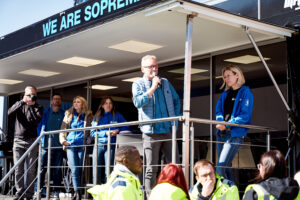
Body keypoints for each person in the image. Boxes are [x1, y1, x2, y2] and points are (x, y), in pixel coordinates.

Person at [132, 55, 181, 195]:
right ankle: (150, 196)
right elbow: (138, 102)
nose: (153, 69)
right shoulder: (138, 84)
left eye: (155, 66)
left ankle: (174, 195)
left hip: (167, 130)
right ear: (142, 69)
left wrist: (174, 121)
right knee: (150, 168)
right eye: (150, 67)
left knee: (174, 166)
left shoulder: (165, 82)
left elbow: (176, 100)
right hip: (150, 132)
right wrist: (152, 87)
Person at [215, 64, 254, 182]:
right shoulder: (225, 94)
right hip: (221, 134)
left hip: (234, 135)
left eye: (228, 76)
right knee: (226, 169)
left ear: (237, 75)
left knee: (220, 168)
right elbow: (218, 111)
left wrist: (226, 124)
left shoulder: (245, 92)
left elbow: (244, 116)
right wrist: (220, 121)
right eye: (224, 77)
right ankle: (232, 194)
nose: (226, 79)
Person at [8, 85, 44, 200]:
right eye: (28, 95)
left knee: (30, 170)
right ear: (24, 95)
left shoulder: (38, 107)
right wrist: (23, 102)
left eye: (32, 94)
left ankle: (28, 195)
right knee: (18, 168)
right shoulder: (19, 104)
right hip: (18, 140)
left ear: (36, 95)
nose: (30, 97)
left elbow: (35, 121)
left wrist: (30, 106)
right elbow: (9, 113)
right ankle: (19, 192)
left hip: (31, 141)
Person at [59, 96, 93, 200]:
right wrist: (63, 141)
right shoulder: (69, 114)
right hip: (71, 145)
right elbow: (62, 129)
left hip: (81, 145)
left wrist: (90, 138)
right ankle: (77, 192)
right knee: (74, 169)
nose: (76, 104)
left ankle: (78, 191)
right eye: (74, 102)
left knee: (80, 169)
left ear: (83, 104)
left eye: (78, 102)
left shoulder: (88, 115)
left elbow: (92, 129)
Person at [90, 96, 130, 184]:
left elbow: (127, 127)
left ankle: (108, 191)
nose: (108, 105)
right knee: (96, 169)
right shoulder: (97, 117)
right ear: (102, 105)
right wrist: (105, 133)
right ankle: (96, 192)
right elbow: (92, 133)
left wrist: (118, 130)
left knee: (109, 170)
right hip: (98, 145)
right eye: (106, 103)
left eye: (110, 103)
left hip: (111, 145)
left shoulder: (117, 115)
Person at [34, 93, 65, 199]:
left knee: (57, 170)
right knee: (42, 168)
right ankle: (38, 191)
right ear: (51, 101)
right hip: (45, 146)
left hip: (59, 147)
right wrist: (39, 140)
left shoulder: (64, 114)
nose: (56, 101)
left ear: (61, 102)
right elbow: (39, 127)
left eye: (59, 99)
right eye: (55, 99)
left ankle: (56, 192)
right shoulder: (46, 113)